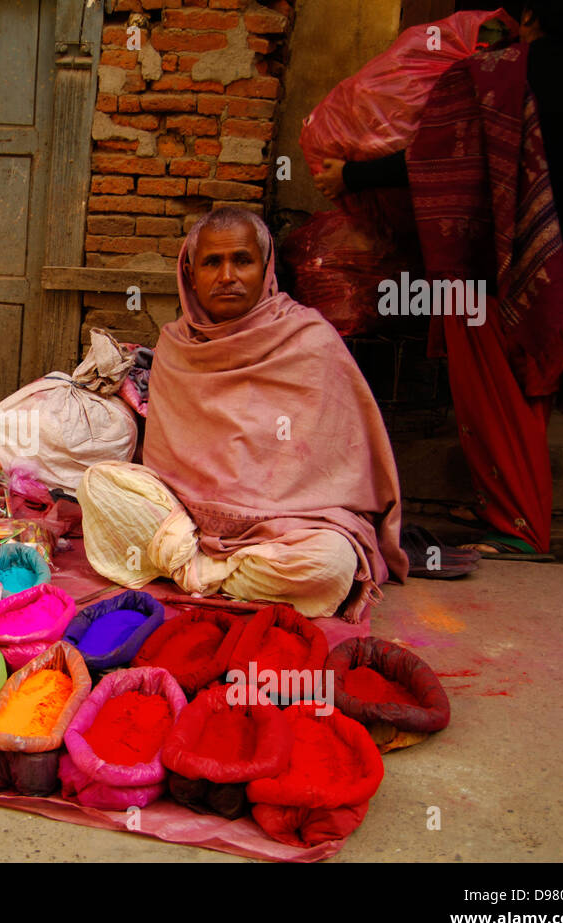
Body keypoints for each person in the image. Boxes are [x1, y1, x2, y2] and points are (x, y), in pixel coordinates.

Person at [313, 0, 563, 559]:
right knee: (534, 387)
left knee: (492, 396)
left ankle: (520, 526)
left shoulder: (492, 75)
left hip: (489, 262)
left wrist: (351, 174)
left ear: (529, 15)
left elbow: (434, 161)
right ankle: (501, 503)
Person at [78, 207, 407, 621]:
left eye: (243, 260)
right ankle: (223, 574)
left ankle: (193, 571)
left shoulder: (309, 340)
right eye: (212, 262)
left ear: (266, 268)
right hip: (192, 518)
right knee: (99, 483)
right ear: (191, 274)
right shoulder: (177, 347)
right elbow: (165, 466)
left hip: (290, 528)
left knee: (329, 565)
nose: (227, 275)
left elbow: (342, 469)